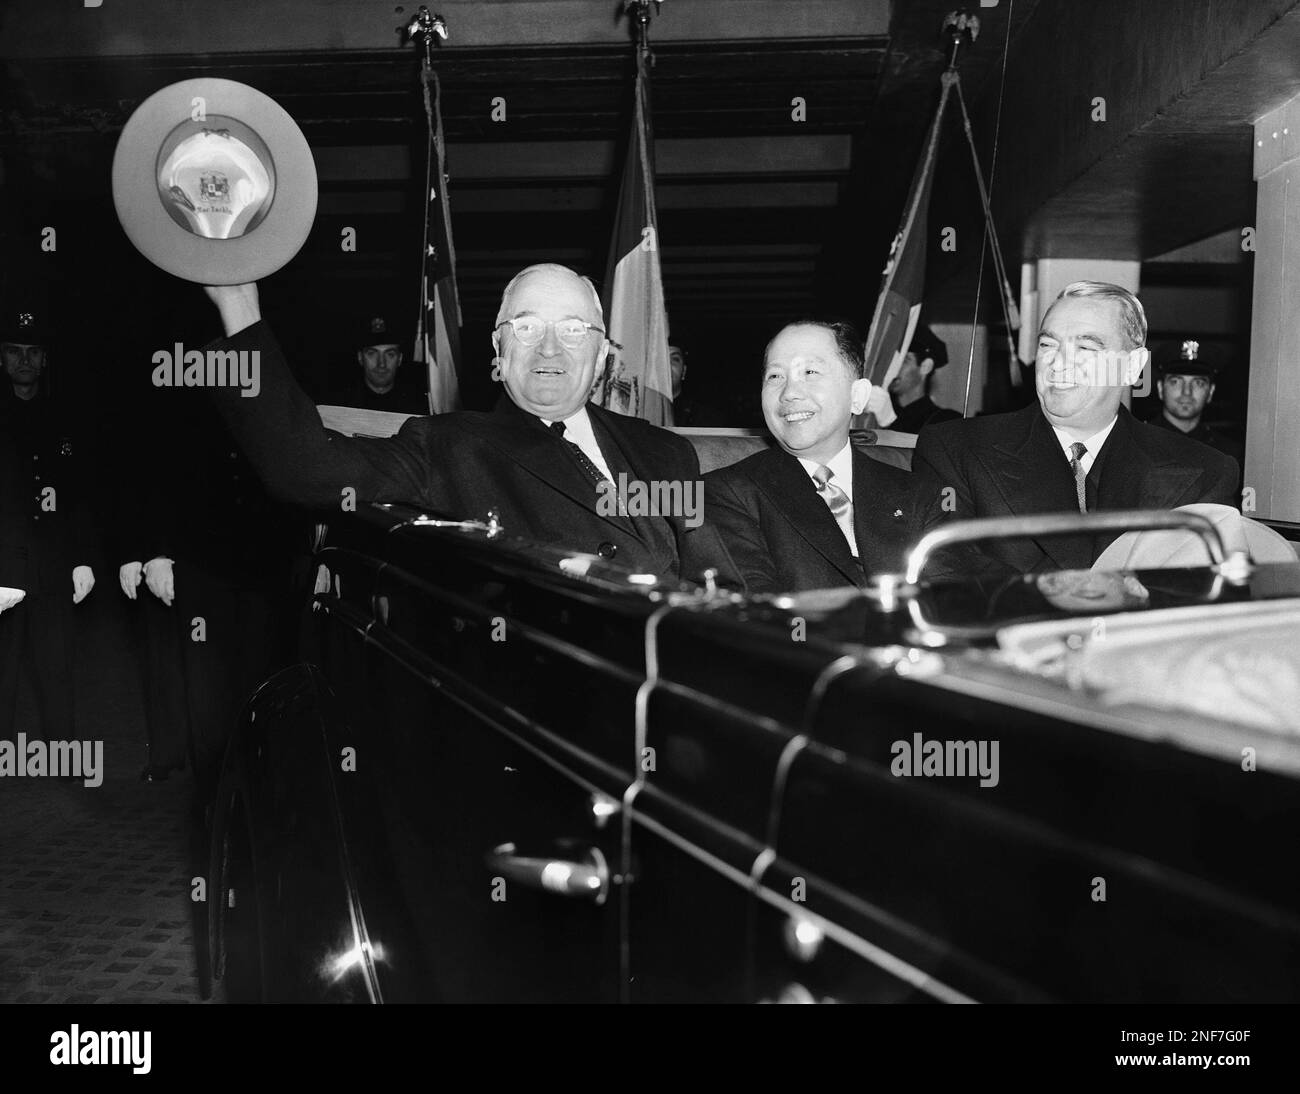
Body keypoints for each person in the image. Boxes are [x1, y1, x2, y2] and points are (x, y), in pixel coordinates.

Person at [201, 264, 735, 582]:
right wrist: (238, 302)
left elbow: (719, 585)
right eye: (526, 328)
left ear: (602, 358)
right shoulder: (449, 447)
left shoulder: (667, 454)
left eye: (574, 329)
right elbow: (304, 469)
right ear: (498, 354)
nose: (550, 346)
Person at [913, 282, 1240, 576]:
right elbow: (951, 580)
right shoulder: (955, 450)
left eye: (1085, 348)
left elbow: (1197, 604)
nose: (1058, 363)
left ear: (1132, 366)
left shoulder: (1204, 471)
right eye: (1047, 345)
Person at [703, 320, 921, 594]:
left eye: (810, 371)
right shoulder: (723, 495)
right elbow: (755, 614)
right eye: (775, 377)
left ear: (858, 396)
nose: (789, 393)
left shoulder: (921, 494)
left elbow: (955, 604)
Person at [0, 309, 96, 739]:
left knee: (56, 664)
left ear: (44, 361)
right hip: (3, 566)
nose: (24, 360)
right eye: (14, 351)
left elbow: (81, 495)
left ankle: (62, 753)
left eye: (33, 352)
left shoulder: (67, 418)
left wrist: (82, 559)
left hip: (54, 563)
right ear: (2, 359)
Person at [1149, 339, 1245, 469]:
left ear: (1210, 392)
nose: (1187, 392)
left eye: (1198, 383)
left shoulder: (1228, 454)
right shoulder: (1137, 444)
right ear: (1160, 389)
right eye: (1176, 381)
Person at [328, 314, 428, 415]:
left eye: (390, 354)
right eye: (372, 353)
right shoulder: (339, 406)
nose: (381, 364)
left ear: (400, 359)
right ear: (360, 357)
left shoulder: (419, 407)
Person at [885, 325, 962, 434]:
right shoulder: (873, 412)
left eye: (904, 360)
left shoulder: (943, 422)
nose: (892, 368)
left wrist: (888, 422)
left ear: (925, 367)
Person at [669, 342, 725, 426]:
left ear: (684, 371)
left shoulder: (704, 417)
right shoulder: (642, 411)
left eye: (675, 359)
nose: (667, 364)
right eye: (661, 358)